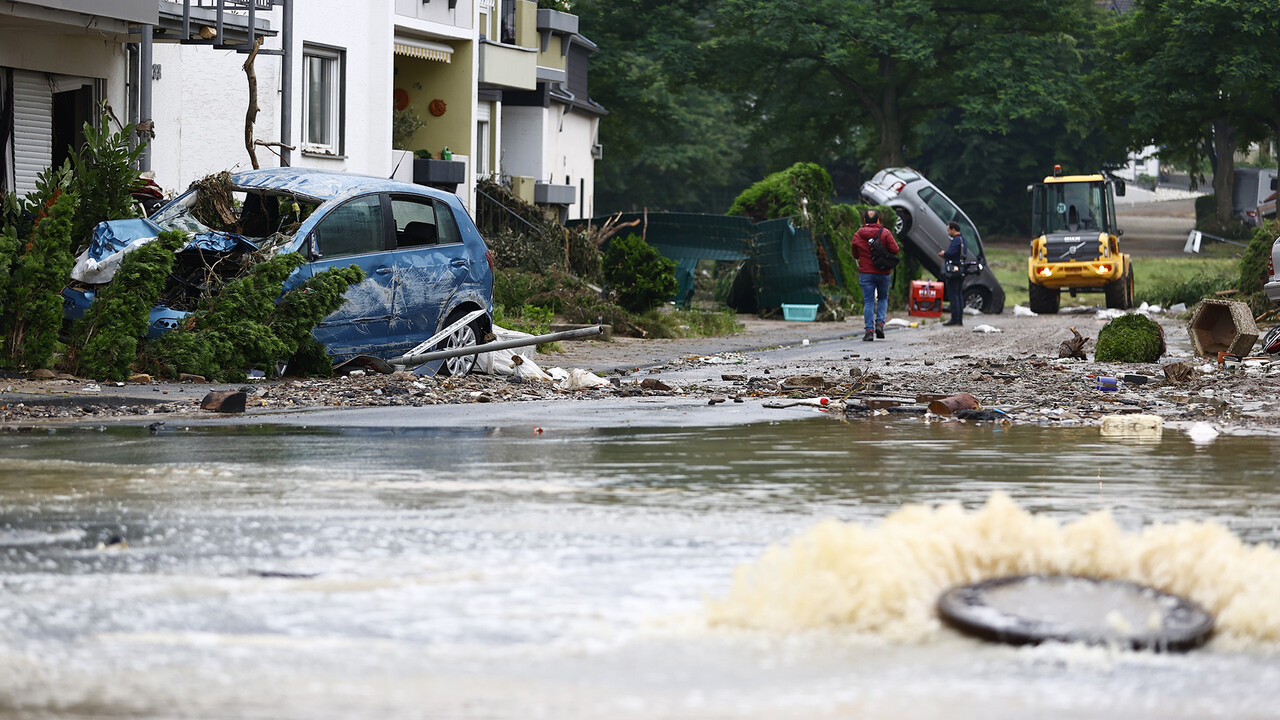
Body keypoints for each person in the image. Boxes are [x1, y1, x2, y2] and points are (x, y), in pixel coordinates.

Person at [850, 209, 900, 342]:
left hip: (866, 273)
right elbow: (895, 250)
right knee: (883, 298)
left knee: (868, 301)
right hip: (883, 272)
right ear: (878, 220)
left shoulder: (857, 235)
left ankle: (869, 331)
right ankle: (880, 324)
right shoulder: (885, 233)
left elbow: (855, 255)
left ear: (864, 220)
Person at [939, 221, 966, 326]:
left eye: (948, 230)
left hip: (953, 271)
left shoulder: (956, 241)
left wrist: (943, 254)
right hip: (961, 270)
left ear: (953, 229)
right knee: (959, 294)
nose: (948, 232)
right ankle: (959, 318)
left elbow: (950, 253)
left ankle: (955, 319)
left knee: (953, 295)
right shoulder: (963, 239)